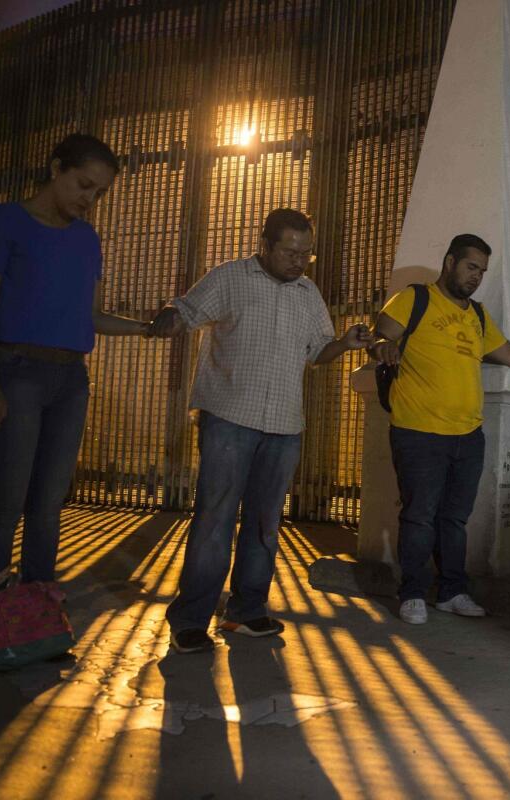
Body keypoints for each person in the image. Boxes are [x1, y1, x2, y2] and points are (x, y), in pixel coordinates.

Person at [150, 208, 371, 653]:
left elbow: (317, 352)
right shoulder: (230, 278)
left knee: (265, 524)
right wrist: (166, 319)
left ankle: (246, 612)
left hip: (284, 425)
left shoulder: (308, 294)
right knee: (214, 521)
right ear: (265, 245)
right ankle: (190, 619)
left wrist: (344, 343)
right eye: (290, 252)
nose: (298, 262)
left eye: (305, 255)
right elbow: (187, 312)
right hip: (229, 418)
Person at [0, 133, 150, 596]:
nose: (90, 199)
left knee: (48, 505)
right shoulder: (2, 221)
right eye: (84, 185)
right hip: (15, 372)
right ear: (55, 168)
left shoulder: (87, 240)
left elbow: (90, 316)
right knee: (6, 504)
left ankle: (37, 617)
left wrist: (147, 329)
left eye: (100, 193)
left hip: (70, 381)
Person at [369, 233, 510, 624]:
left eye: (481, 270)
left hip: (467, 436)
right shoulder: (416, 299)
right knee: (419, 516)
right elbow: (381, 336)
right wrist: (382, 346)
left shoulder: (477, 316)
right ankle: (412, 592)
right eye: (470, 266)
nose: (476, 276)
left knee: (455, 519)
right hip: (418, 431)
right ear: (449, 262)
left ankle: (452, 591)